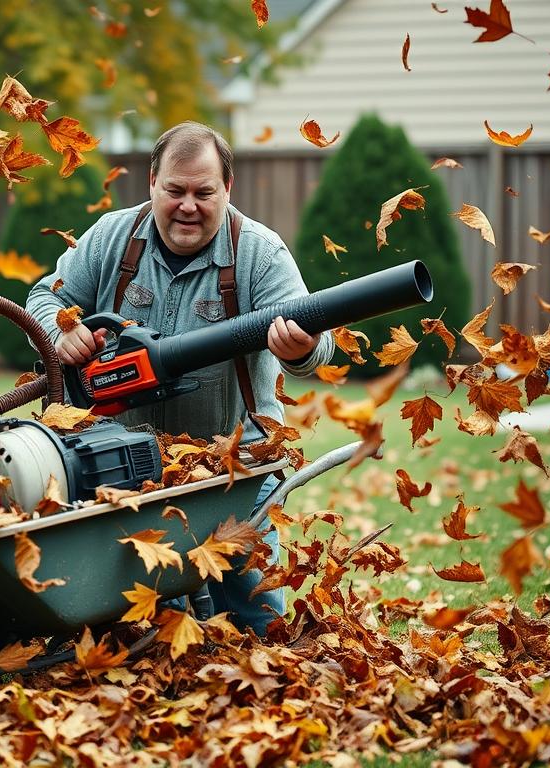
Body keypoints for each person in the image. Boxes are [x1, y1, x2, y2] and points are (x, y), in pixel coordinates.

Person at [25, 121, 334, 636]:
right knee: (138, 628)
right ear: (152, 183)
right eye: (175, 190)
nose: (188, 205)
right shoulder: (111, 239)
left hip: (234, 472)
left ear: (226, 190)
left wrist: (301, 347)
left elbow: (316, 339)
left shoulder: (260, 253)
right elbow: (42, 298)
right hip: (123, 470)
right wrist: (63, 331)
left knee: (258, 621)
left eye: (203, 192)